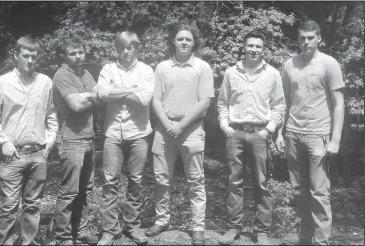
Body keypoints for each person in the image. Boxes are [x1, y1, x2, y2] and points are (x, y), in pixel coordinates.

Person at [0, 35, 58, 245]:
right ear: (16, 56)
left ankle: (28, 241)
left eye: (34, 56)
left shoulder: (45, 83)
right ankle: (5, 242)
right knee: (9, 206)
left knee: (33, 204)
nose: (30, 60)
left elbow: (52, 114)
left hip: (38, 153)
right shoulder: (1, 84)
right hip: (13, 154)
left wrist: (50, 141)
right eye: (26, 55)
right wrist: (4, 142)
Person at [276, 20, 345, 245]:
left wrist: (335, 139)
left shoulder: (329, 64)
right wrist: (279, 132)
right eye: (302, 38)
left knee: (319, 192)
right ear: (298, 39)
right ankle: (305, 236)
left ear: (318, 39)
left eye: (310, 38)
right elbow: (284, 102)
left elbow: (338, 104)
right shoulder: (289, 65)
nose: (306, 42)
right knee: (299, 190)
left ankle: (321, 241)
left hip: (319, 137)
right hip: (293, 135)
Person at [144, 23, 215, 245]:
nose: (184, 42)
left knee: (195, 180)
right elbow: (155, 99)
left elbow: (205, 102)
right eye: (180, 39)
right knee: (161, 178)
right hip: (164, 130)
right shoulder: (162, 67)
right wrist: (167, 125)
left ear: (194, 43)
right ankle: (162, 220)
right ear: (173, 42)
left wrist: (181, 125)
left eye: (188, 39)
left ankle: (197, 228)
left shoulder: (202, 68)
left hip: (192, 130)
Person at [217, 31, 285, 245]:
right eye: (250, 46)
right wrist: (224, 126)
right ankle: (233, 228)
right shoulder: (230, 73)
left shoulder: (273, 74)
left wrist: (269, 130)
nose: (254, 50)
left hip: (260, 133)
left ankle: (262, 231)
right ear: (243, 47)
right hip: (234, 133)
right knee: (233, 181)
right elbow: (222, 103)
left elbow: (279, 105)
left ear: (263, 50)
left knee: (261, 182)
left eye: (258, 46)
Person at [94, 31, 155, 245]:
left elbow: (144, 99)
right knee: (110, 182)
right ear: (116, 49)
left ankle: (133, 226)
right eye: (122, 47)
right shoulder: (107, 69)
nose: (126, 51)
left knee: (136, 181)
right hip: (113, 133)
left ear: (136, 48)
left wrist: (115, 91)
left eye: (130, 47)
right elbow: (102, 94)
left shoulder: (146, 70)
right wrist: (131, 90)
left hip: (138, 133)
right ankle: (109, 231)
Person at [52, 34, 99, 245]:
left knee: (85, 191)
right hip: (71, 140)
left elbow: (101, 96)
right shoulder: (62, 75)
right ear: (65, 55)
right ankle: (62, 237)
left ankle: (81, 231)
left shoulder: (87, 74)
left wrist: (89, 96)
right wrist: (93, 96)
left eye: (81, 52)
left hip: (89, 138)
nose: (78, 56)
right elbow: (77, 106)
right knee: (68, 193)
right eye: (73, 53)